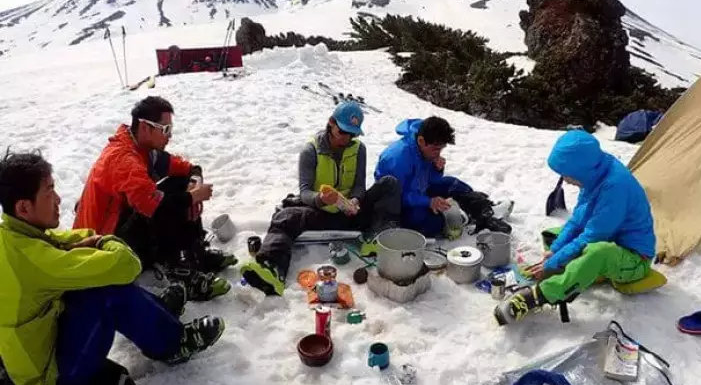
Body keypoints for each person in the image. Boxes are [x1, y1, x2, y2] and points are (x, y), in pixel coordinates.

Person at [0, 152, 224, 385]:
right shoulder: (35, 259)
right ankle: (174, 343)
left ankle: (157, 312)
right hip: (52, 380)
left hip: (36, 355)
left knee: (92, 278)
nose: (60, 198)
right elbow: (127, 265)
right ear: (24, 207)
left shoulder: (13, 236)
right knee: (106, 292)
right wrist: (103, 239)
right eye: (50, 191)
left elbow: (63, 239)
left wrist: (82, 242)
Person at [74, 96, 235, 301]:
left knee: (177, 187)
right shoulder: (124, 159)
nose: (170, 136)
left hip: (119, 227)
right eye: (165, 129)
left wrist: (194, 183)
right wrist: (192, 197)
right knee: (164, 204)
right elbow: (155, 207)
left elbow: (187, 168)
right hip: (102, 246)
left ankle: (194, 252)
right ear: (145, 127)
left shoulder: (144, 150)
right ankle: (178, 268)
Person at [494, 130, 656, 325]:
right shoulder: (596, 173)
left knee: (597, 251)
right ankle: (574, 268)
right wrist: (553, 252)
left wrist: (553, 263)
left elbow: (592, 237)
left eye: (567, 175)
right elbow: (578, 221)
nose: (566, 180)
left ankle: (540, 295)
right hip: (609, 239)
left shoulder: (615, 187)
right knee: (554, 236)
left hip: (634, 258)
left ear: (581, 169)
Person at [240, 102, 401, 294]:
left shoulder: (359, 149)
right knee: (285, 217)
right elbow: (305, 192)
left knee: (389, 183)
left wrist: (356, 200)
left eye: (352, 134)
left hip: (352, 211)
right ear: (331, 123)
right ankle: (271, 267)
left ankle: (378, 239)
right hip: (323, 213)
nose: (347, 138)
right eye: (343, 131)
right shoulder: (311, 151)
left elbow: (359, 185)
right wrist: (321, 199)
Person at [375, 116, 511, 239]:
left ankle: (486, 213)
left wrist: (436, 169)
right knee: (430, 223)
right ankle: (461, 215)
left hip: (418, 194)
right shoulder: (398, 158)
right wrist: (428, 202)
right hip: (398, 207)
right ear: (422, 141)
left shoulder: (424, 146)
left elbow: (427, 181)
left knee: (451, 183)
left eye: (441, 148)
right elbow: (396, 197)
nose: (438, 153)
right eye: (436, 149)